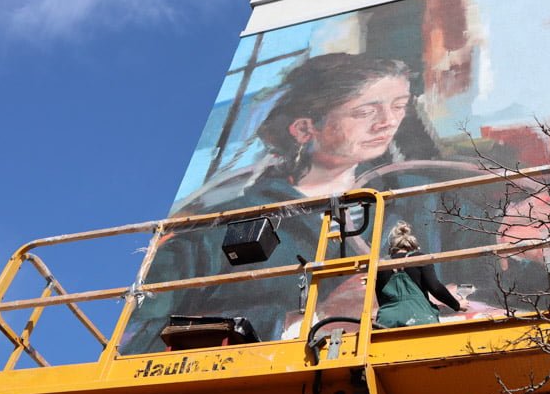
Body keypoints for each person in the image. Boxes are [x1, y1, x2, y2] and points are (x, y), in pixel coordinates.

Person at [121, 53, 424, 352]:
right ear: (304, 129)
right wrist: (313, 319)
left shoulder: (418, 201)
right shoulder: (216, 229)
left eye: (399, 106)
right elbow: (139, 340)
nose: (388, 123)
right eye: (365, 112)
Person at [376, 221, 468, 327]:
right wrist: (457, 305)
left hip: (387, 320)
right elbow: (435, 288)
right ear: (414, 247)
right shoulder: (419, 258)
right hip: (420, 317)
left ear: (391, 250)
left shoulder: (381, 266)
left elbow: (381, 299)